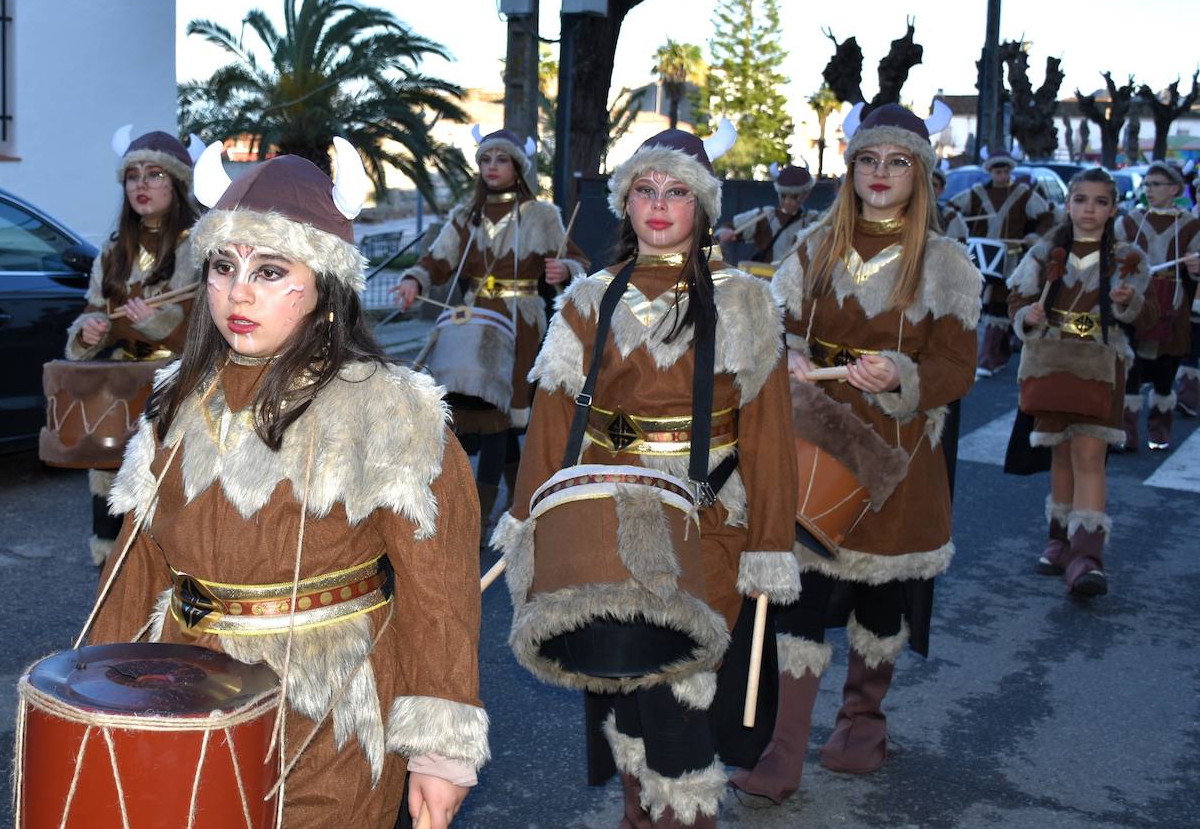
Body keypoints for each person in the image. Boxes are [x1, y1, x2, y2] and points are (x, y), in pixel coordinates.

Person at [84, 142, 488, 829]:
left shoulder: (391, 409)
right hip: (190, 696)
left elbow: (439, 591)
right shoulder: (177, 403)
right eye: (222, 265)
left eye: (270, 270)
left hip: (332, 713)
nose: (238, 291)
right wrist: (93, 693)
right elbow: (134, 570)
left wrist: (440, 752)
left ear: (325, 283)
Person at [493, 124, 801, 829]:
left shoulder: (748, 302)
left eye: (677, 191)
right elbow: (550, 422)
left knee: (682, 690)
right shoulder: (588, 297)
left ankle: (685, 815)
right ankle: (640, 813)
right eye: (644, 190)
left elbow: (769, 435)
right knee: (621, 679)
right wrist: (526, 524)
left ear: (704, 207)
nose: (659, 205)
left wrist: (770, 546)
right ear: (625, 203)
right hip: (604, 511)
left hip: (708, 514)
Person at [736, 103, 981, 804]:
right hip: (814, 438)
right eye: (869, 160)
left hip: (900, 454)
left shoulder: (946, 263)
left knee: (881, 593)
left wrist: (904, 374)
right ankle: (783, 752)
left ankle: (862, 722)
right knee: (802, 595)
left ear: (921, 174)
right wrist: (785, 351)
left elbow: (958, 366)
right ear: (850, 170)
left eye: (897, 162)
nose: (881, 174)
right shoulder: (815, 243)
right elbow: (770, 317)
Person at [394, 127, 588, 534]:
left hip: (521, 322)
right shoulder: (465, 216)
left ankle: (477, 521)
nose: (492, 167)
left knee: (500, 416)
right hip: (473, 320)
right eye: (485, 160)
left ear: (517, 166)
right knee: (481, 415)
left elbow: (576, 261)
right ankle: (519, 506)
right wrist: (414, 280)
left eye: (501, 160)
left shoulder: (542, 215)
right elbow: (436, 260)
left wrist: (563, 270)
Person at [1007, 168, 1154, 596]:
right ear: (1067, 204)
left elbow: (1148, 320)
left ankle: (1087, 556)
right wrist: (1026, 315)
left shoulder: (1128, 258)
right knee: (1060, 454)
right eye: (1081, 200)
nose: (1090, 209)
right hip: (1051, 362)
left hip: (1101, 366)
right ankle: (1059, 540)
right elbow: (1017, 297)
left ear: (1112, 209)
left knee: (1090, 454)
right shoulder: (1042, 253)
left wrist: (1130, 303)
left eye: (1100, 202)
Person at [64, 128, 201, 566]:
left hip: (180, 387)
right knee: (112, 496)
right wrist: (89, 330)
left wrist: (158, 323)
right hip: (121, 388)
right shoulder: (112, 252)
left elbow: (211, 328)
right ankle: (113, 598)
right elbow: (94, 308)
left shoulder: (200, 246)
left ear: (177, 183)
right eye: (133, 176)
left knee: (173, 500)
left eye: (155, 174)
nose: (141, 185)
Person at [1114, 160, 1200, 449]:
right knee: (1130, 370)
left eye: (1156, 185)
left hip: (1173, 306)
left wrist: (1195, 266)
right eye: (1147, 184)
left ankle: (1159, 433)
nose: (1149, 190)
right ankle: (1126, 434)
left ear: (1175, 189)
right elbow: (1111, 259)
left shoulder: (1191, 225)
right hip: (1136, 303)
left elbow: (1196, 270)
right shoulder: (1129, 221)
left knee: (1166, 372)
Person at [946, 148, 1053, 377]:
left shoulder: (1023, 193)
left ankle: (990, 357)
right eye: (997, 171)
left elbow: (1048, 216)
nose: (1002, 175)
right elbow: (951, 209)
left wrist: (1033, 237)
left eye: (1005, 171)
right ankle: (990, 353)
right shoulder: (977, 193)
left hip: (1011, 258)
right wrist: (961, 230)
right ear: (990, 171)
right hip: (981, 258)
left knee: (1000, 305)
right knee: (978, 306)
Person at [715, 162, 821, 266]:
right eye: (783, 196)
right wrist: (723, 232)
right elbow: (729, 227)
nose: (787, 201)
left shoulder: (814, 220)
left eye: (794, 196)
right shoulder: (765, 216)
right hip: (768, 279)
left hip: (799, 280)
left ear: (806, 194)